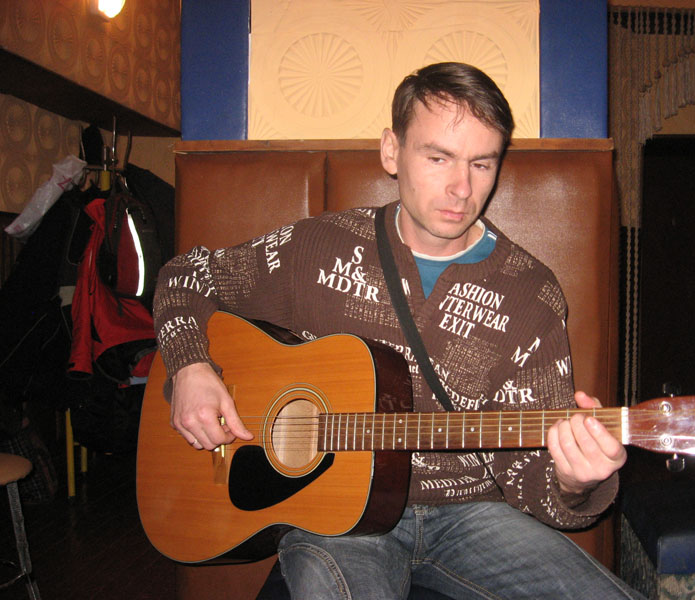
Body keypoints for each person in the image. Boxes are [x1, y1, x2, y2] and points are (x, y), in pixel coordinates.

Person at [152, 62, 642, 599]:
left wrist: (573, 480)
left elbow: (533, 479)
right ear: (392, 151)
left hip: (472, 515)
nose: (462, 188)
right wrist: (190, 366)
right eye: (438, 158)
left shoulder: (530, 295)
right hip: (337, 518)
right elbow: (187, 275)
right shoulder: (319, 249)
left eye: (482, 163)